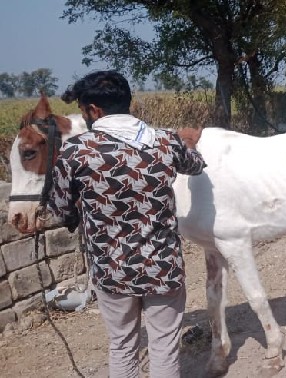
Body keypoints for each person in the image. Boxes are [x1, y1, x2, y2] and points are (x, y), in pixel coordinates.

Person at [44, 70, 206, 376]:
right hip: (163, 267)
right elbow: (195, 166)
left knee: (121, 345)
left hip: (112, 271)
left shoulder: (76, 151)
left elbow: (60, 210)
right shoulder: (165, 141)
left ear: (94, 110)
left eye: (83, 110)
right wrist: (189, 143)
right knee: (163, 345)